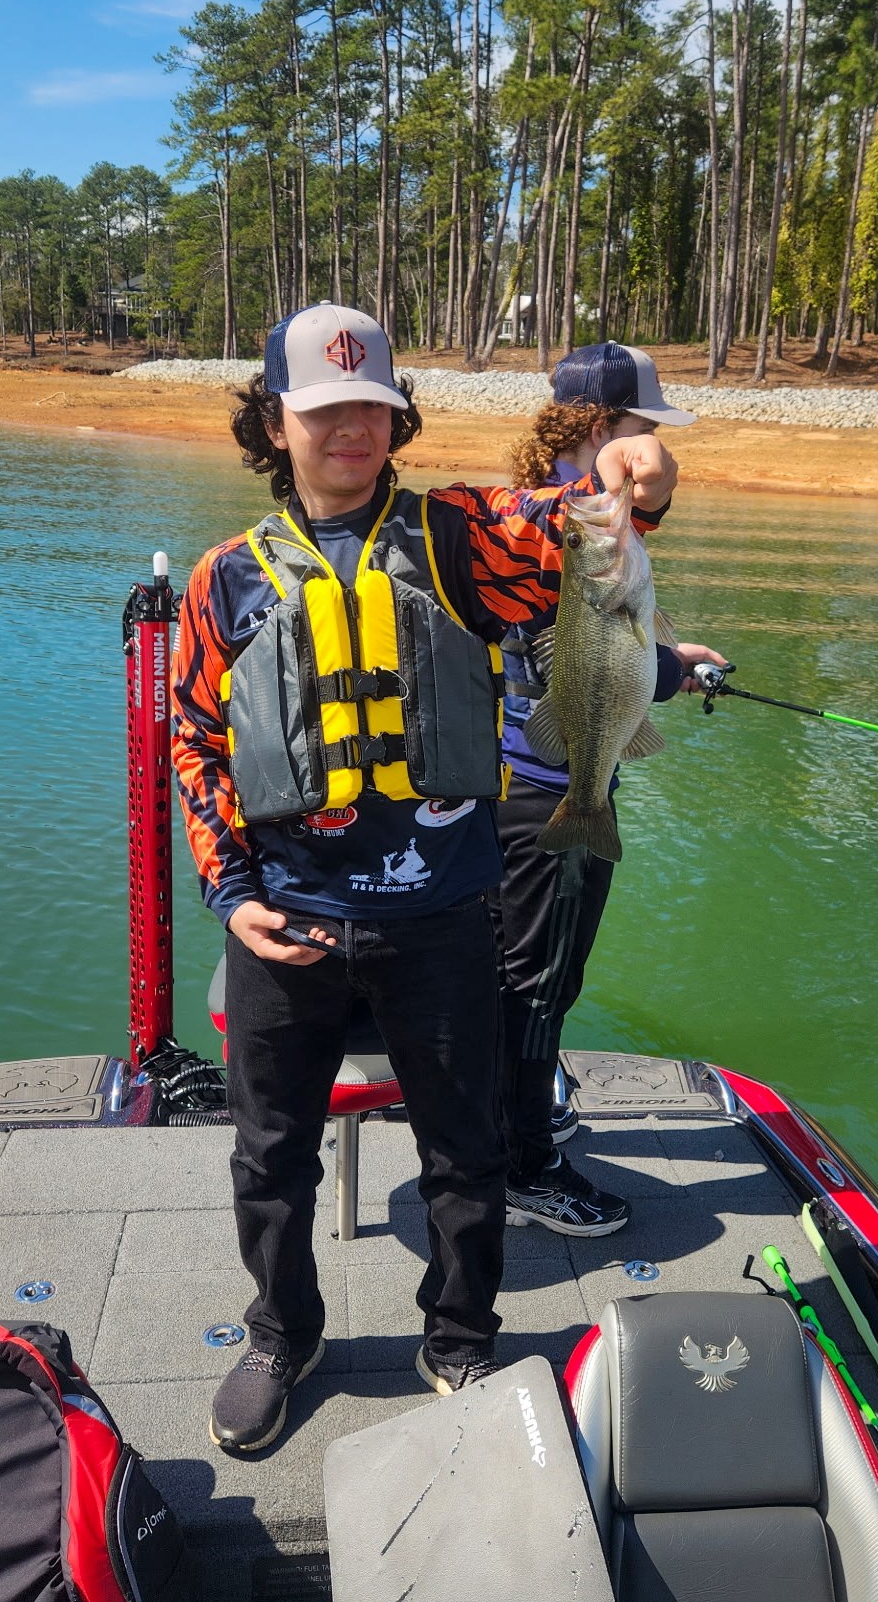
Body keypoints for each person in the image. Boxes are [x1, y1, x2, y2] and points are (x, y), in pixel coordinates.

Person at [170, 304, 682, 1456]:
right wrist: (231, 893)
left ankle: (458, 1335)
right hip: (289, 922)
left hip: (443, 912)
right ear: (275, 422)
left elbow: (564, 527)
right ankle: (280, 1333)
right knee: (269, 1157)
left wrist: (633, 477)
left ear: (396, 418)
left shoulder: (458, 539)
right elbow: (196, 741)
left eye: (372, 405)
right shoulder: (224, 579)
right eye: (323, 408)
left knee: (466, 1149)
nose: (351, 427)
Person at [490, 341, 727, 1238]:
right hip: (548, 795)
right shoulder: (556, 522)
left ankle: (519, 1112)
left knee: (532, 977)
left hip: (522, 781)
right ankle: (523, 1168)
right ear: (599, 427)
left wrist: (666, 666)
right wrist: (661, 667)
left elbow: (597, 648)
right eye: (638, 424)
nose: (651, 443)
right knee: (538, 985)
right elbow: (555, 648)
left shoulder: (563, 512)